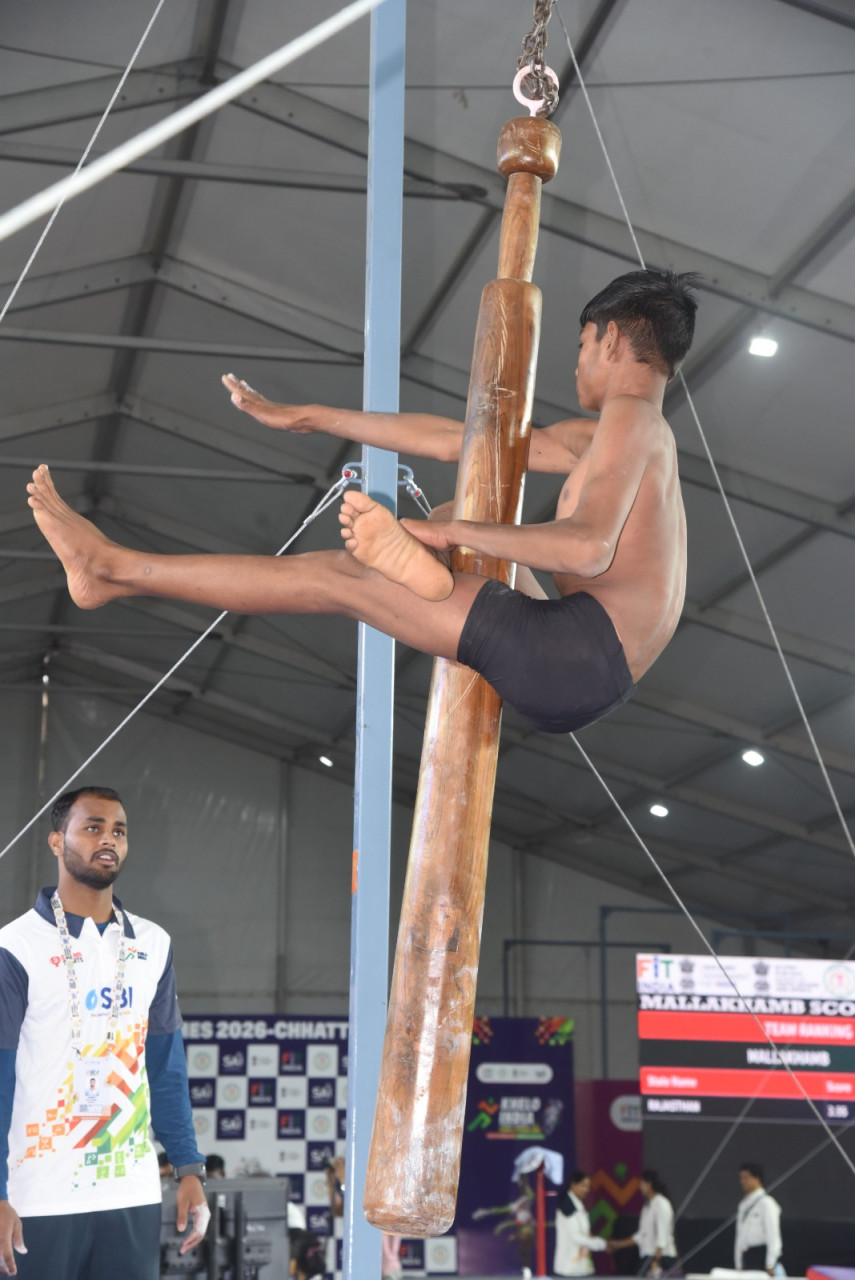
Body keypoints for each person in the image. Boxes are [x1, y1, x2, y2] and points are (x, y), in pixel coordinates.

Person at [27, 269, 698, 739]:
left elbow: (586, 546)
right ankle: (429, 571)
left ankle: (110, 569)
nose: (577, 363)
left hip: (570, 653)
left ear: (612, 339)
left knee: (341, 575)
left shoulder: (631, 419)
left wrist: (451, 536)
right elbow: (459, 442)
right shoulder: (625, 436)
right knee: (452, 508)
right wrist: (313, 418)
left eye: (582, 346)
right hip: (586, 664)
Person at [0, 786, 209, 1279]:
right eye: (92, 827)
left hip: (130, 1192)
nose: (108, 839)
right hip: (37, 1196)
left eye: (119, 830)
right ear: (57, 841)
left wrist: (188, 1167)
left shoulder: (153, 943)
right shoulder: (16, 946)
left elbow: (166, 1068)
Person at [609, 1169, 676, 1276]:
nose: (640, 1188)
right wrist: (618, 1244)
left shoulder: (662, 1203)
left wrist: (656, 1261)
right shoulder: (647, 1206)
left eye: (642, 1184)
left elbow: (662, 1235)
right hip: (647, 1256)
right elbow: (641, 1236)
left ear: (648, 1185)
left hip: (661, 1258)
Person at [554, 1170, 608, 1277]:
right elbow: (576, 1237)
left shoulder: (579, 1204)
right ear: (573, 1184)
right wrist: (603, 1244)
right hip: (569, 1268)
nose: (586, 1190)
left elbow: (585, 1232)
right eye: (583, 1186)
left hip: (581, 1265)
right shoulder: (566, 1206)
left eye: (588, 1187)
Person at [734, 1163, 782, 1275]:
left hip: (761, 1257)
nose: (742, 1181)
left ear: (757, 1179)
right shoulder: (743, 1204)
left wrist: (770, 1263)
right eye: (741, 1178)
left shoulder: (767, 1203)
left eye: (746, 1178)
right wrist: (738, 1263)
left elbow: (773, 1235)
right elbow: (740, 1237)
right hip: (747, 1258)